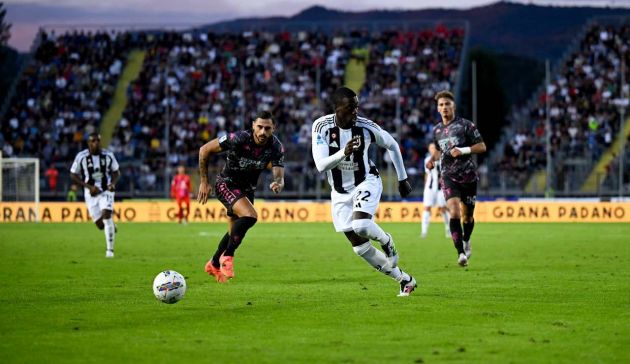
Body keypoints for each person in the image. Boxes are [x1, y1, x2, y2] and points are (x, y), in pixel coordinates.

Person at [311, 86, 417, 297]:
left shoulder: (366, 127)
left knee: (361, 224)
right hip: (340, 192)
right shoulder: (321, 126)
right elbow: (321, 165)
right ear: (337, 108)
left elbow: (392, 144)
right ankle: (404, 279)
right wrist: (344, 152)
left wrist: (403, 178)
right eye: (350, 108)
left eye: (357, 107)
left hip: (366, 181)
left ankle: (387, 241)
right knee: (359, 248)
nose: (355, 112)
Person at [198, 111, 284, 283]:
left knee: (235, 231)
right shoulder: (238, 138)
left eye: (267, 128)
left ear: (273, 128)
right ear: (253, 125)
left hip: (247, 190)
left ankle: (214, 263)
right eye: (259, 127)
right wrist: (204, 181)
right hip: (226, 183)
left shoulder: (276, 146)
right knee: (250, 216)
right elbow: (204, 149)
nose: (262, 132)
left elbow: (278, 169)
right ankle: (227, 257)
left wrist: (278, 181)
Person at [426, 90, 486, 267]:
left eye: (447, 104)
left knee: (467, 217)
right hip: (448, 176)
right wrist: (431, 160)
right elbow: (438, 152)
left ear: (453, 106)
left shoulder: (466, 125)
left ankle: (467, 240)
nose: (444, 107)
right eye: (441, 105)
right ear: (438, 109)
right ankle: (460, 253)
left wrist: (464, 150)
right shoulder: (437, 130)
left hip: (468, 176)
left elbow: (482, 146)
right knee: (454, 212)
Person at [70, 132, 120, 258]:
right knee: (99, 225)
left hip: (105, 190)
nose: (96, 143)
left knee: (106, 215)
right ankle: (111, 226)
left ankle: (110, 251)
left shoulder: (108, 155)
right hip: (90, 192)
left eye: (98, 141)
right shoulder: (81, 157)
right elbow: (73, 174)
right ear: (89, 143)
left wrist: (112, 184)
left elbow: (116, 172)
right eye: (93, 141)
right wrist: (88, 187)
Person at [421, 143, 450, 239]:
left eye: (434, 148)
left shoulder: (444, 159)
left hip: (441, 189)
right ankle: (424, 231)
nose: (432, 149)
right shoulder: (427, 160)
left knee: (443, 208)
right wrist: (425, 187)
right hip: (429, 188)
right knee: (427, 208)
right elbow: (427, 173)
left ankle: (448, 229)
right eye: (430, 148)